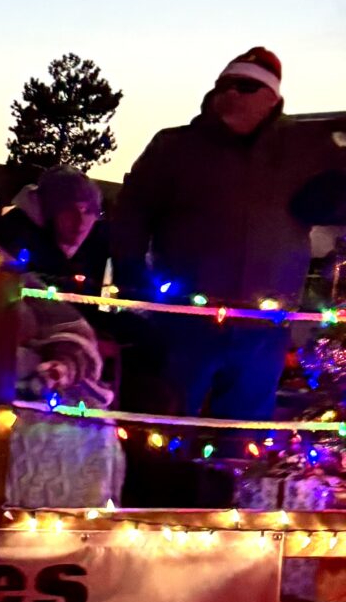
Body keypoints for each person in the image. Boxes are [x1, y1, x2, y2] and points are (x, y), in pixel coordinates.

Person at [113, 47, 346, 428]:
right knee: (164, 426)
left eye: (245, 86)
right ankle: (157, 484)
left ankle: (232, 485)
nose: (230, 93)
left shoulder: (305, 150)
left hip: (263, 329)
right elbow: (133, 212)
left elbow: (331, 208)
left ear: (271, 98)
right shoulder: (175, 146)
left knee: (241, 438)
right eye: (224, 84)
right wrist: (130, 274)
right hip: (185, 320)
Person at [0, 168, 108, 296]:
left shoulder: (99, 243)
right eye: (69, 209)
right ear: (48, 209)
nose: (80, 221)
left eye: (88, 210)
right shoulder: (13, 231)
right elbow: (4, 278)